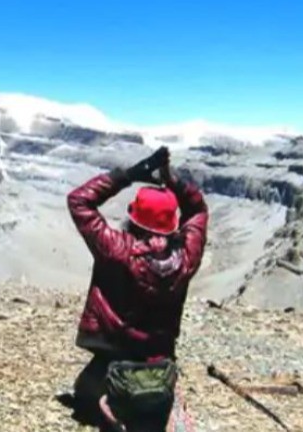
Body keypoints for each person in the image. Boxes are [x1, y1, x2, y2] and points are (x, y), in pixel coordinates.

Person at [65, 146, 208, 431]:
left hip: (114, 352)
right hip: (159, 357)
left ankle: (115, 405)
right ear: (171, 224)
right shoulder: (186, 258)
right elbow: (198, 211)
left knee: (85, 395)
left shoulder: (117, 249)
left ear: (134, 217)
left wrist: (128, 175)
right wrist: (173, 180)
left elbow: (79, 201)